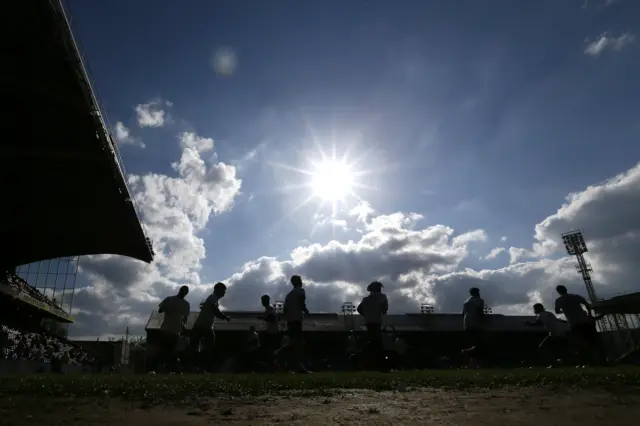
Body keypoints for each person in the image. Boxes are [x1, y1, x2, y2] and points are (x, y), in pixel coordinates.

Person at [554, 285, 605, 364]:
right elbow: (587, 304)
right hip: (585, 321)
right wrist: (589, 314)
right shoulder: (575, 296)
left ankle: (587, 361)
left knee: (580, 342)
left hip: (574, 323)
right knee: (593, 340)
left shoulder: (558, 300)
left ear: (558, 292)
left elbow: (557, 311)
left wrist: (565, 310)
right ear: (566, 289)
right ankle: (602, 360)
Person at [190, 282, 230, 370]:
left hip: (205, 326)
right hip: (203, 326)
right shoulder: (213, 298)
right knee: (206, 345)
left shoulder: (214, 299)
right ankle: (197, 364)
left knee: (199, 346)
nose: (224, 292)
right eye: (223, 290)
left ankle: (197, 365)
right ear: (218, 290)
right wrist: (224, 317)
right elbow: (215, 310)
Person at [151, 285, 190, 372]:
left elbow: (185, 318)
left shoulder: (173, 300)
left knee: (169, 349)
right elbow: (160, 310)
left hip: (173, 329)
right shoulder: (171, 300)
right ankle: (164, 367)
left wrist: (183, 325)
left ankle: (166, 367)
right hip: (169, 329)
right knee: (167, 349)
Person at [357, 281, 389, 371]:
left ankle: (363, 359)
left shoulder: (365, 299)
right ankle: (382, 366)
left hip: (368, 322)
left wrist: (367, 314)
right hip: (377, 322)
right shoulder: (382, 297)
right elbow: (384, 309)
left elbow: (359, 309)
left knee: (373, 342)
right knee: (377, 343)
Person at [283, 275, 310, 373]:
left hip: (290, 320)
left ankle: (291, 365)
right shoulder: (301, 291)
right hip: (297, 319)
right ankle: (299, 366)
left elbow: (284, 309)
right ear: (298, 282)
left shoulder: (289, 295)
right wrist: (306, 311)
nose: (302, 282)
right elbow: (301, 303)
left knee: (293, 342)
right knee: (299, 343)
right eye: (300, 280)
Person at [462, 287, 485, 367]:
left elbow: (463, 313)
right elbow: (480, 312)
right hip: (476, 324)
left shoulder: (466, 302)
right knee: (478, 344)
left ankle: (469, 362)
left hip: (467, 324)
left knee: (471, 343)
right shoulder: (479, 301)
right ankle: (473, 361)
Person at [258, 295, 280, 362]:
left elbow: (272, 318)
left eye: (263, 300)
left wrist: (263, 318)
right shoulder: (270, 308)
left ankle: (271, 362)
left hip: (272, 332)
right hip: (271, 331)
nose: (262, 302)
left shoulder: (269, 308)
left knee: (268, 348)